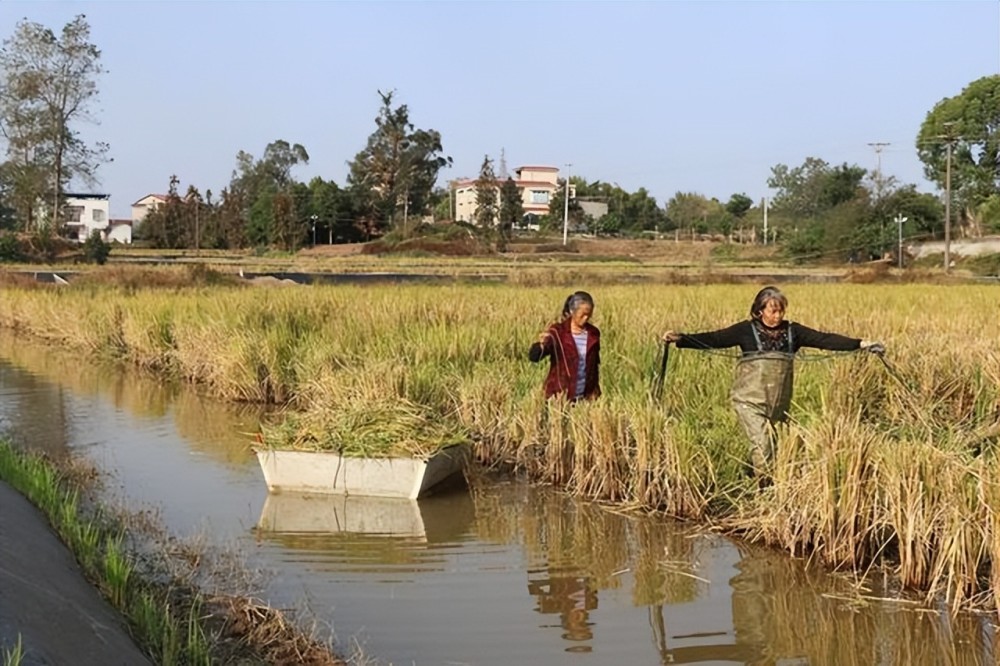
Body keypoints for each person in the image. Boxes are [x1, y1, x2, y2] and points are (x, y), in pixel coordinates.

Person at [661, 286, 884, 476]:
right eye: (773, 311)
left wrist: (862, 343)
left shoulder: (793, 331)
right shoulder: (745, 331)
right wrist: (681, 338)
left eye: (781, 311)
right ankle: (763, 492)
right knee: (764, 447)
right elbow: (714, 339)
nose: (778, 316)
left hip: (779, 406)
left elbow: (824, 339)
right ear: (759, 311)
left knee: (771, 449)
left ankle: (747, 475)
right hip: (749, 402)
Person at [529, 291, 601, 401]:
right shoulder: (558, 332)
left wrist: (595, 392)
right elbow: (535, 357)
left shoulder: (593, 334)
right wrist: (540, 346)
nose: (586, 318)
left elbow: (594, 366)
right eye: (582, 315)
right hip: (560, 395)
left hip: (585, 397)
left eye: (589, 315)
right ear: (572, 311)